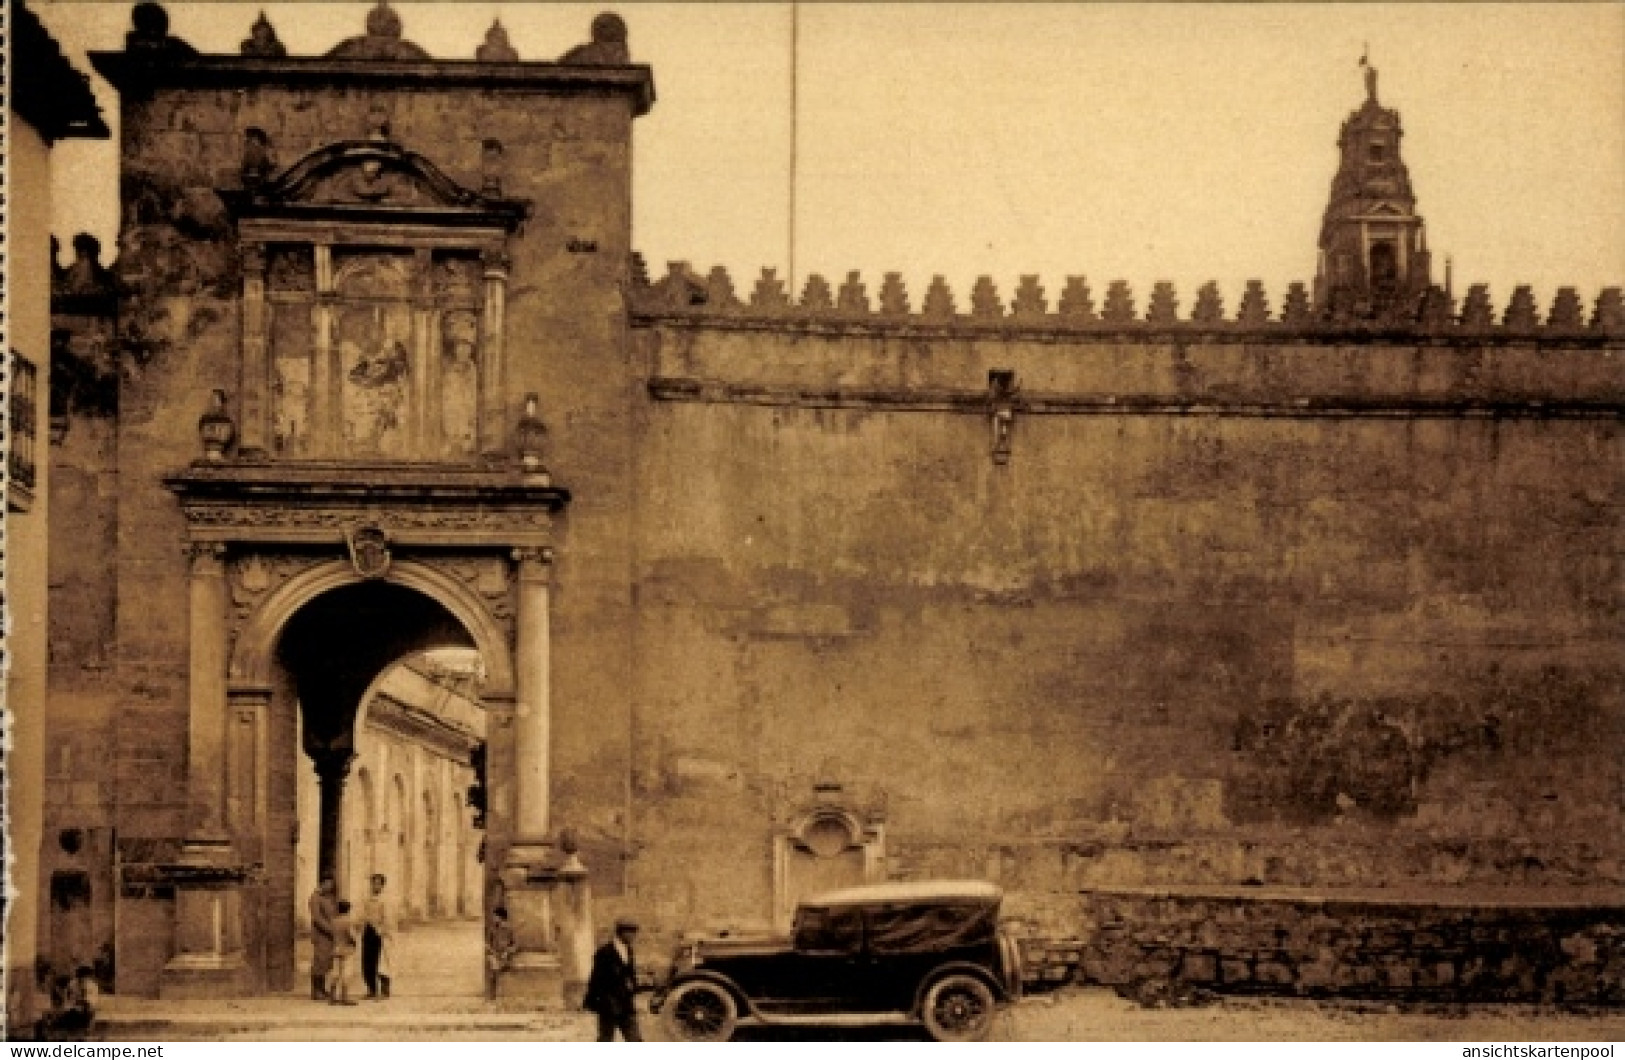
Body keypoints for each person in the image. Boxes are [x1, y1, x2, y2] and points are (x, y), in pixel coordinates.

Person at [583, 918, 642, 1041]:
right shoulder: (604, 952)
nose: (633, 936)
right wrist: (600, 1001)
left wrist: (633, 986)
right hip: (608, 1003)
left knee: (635, 1039)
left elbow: (629, 973)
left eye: (634, 932)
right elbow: (596, 979)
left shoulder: (628, 950)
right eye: (631, 932)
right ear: (621, 933)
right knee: (606, 1038)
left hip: (625, 1002)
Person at [360, 873, 397, 1000]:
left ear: (382, 885)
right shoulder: (366, 899)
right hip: (368, 931)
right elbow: (363, 914)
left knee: (382, 962)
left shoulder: (385, 900)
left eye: (378, 884)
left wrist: (383, 931)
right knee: (367, 961)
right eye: (373, 883)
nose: (375, 886)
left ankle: (384, 991)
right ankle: (371, 989)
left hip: (380, 933)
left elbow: (388, 918)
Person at [308, 876, 338, 1000]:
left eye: (331, 884)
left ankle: (322, 989)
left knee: (326, 962)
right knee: (319, 961)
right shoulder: (315, 897)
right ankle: (316, 991)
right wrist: (330, 930)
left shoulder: (328, 897)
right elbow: (317, 918)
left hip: (329, 935)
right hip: (320, 934)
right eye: (327, 884)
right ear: (322, 883)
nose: (330, 887)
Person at [328, 899, 359, 1005]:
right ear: (348, 910)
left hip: (336, 949)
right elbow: (352, 935)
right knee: (346, 973)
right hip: (347, 949)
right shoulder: (349, 921)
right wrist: (355, 942)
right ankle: (344, 997)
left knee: (335, 972)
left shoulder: (334, 921)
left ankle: (332, 997)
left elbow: (332, 935)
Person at [485, 906, 516, 1001]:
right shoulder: (493, 929)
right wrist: (492, 952)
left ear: (501, 917)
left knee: (496, 969)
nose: (494, 918)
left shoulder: (509, 929)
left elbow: (514, 945)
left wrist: (507, 952)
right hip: (495, 954)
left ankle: (495, 995)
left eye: (495, 916)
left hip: (505, 955)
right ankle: (492, 996)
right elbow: (488, 944)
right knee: (493, 967)